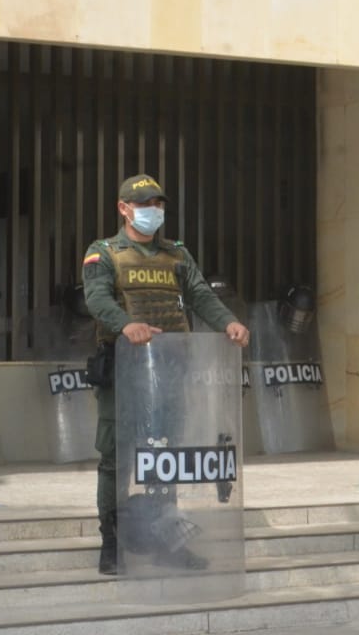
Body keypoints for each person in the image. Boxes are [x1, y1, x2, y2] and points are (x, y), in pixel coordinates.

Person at [81, 174, 250, 576]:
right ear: (124, 208)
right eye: (145, 204)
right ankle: (112, 543)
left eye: (158, 204)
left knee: (166, 458)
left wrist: (228, 323)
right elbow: (97, 298)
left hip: (171, 371)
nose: (153, 211)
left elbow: (200, 294)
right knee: (116, 458)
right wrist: (126, 324)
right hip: (123, 370)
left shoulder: (176, 254)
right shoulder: (104, 252)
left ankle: (166, 540)